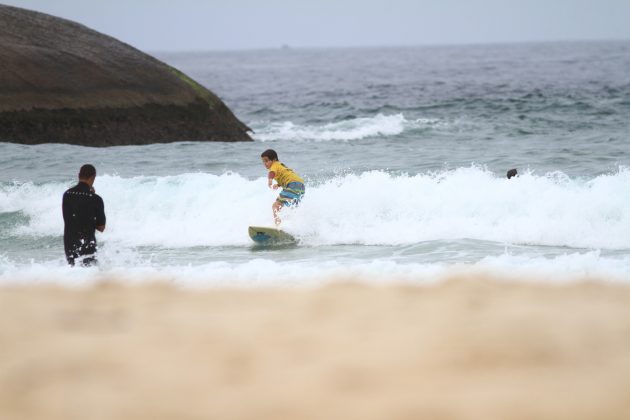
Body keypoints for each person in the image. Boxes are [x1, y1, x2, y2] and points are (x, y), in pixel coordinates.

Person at [62, 164, 106, 266]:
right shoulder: (95, 199)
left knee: (74, 274)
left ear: (79, 175)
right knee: (89, 276)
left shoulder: (67, 195)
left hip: (69, 243)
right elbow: (101, 227)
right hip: (87, 244)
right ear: (93, 177)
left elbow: (69, 217)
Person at [260, 149, 305, 226]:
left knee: (275, 205)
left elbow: (272, 173)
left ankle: (278, 225)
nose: (265, 163)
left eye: (266, 161)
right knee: (291, 208)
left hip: (292, 185)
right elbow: (287, 175)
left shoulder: (274, 165)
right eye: (263, 161)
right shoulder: (281, 165)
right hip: (300, 186)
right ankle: (294, 227)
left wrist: (270, 179)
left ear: (273, 159)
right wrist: (279, 184)